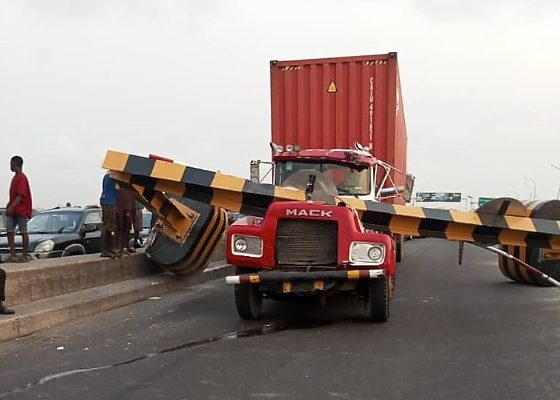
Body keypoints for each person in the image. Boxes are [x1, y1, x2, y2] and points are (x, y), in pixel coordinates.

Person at [5, 155, 33, 263]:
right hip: (13, 210)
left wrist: (12, 206)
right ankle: (13, 255)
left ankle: (24, 255)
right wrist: (9, 204)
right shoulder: (15, 178)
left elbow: (21, 195)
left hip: (21, 210)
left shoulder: (22, 177)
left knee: (23, 231)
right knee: (10, 231)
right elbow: (14, 195)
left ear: (15, 164)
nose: (10, 166)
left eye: (11, 164)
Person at [100, 172, 119, 258]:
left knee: (111, 227)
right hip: (108, 202)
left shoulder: (108, 176)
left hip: (110, 202)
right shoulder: (112, 175)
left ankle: (110, 248)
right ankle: (105, 250)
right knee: (107, 226)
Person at [116, 185, 136, 254]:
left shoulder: (130, 187)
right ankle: (120, 247)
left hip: (128, 209)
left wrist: (133, 211)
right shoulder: (119, 185)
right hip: (120, 209)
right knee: (120, 228)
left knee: (127, 229)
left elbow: (133, 200)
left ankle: (126, 247)